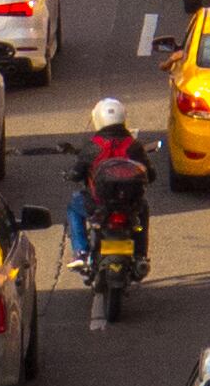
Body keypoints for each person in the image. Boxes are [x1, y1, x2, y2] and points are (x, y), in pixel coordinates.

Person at [64, 96, 154, 269]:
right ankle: (141, 254)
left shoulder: (93, 146)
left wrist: (70, 174)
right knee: (142, 214)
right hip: (130, 205)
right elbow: (151, 175)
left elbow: (76, 173)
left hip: (97, 205)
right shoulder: (133, 145)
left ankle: (81, 251)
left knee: (74, 206)